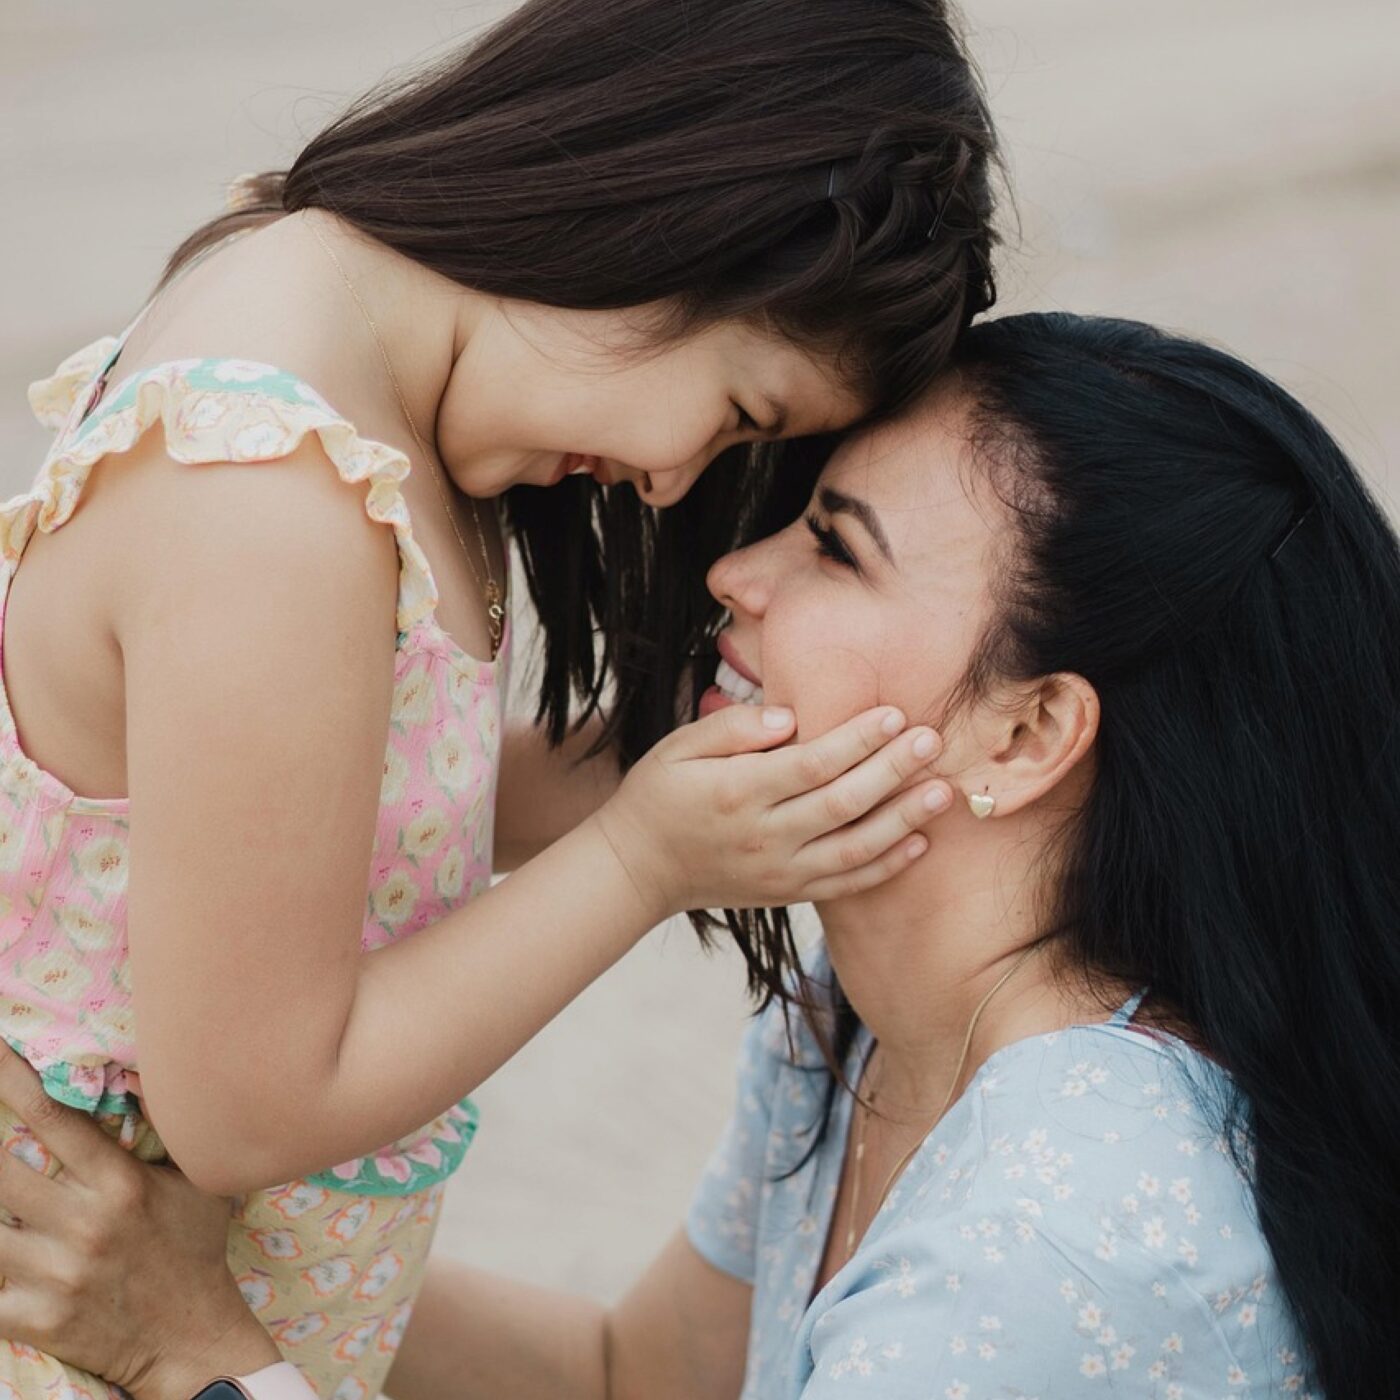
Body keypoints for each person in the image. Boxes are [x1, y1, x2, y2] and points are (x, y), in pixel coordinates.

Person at [3, 313, 1394, 1399]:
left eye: (836, 550)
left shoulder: (1047, 1239)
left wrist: (199, 1349)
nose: (738, 573)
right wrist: (176, 1257)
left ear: (1028, 733)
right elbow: (642, 1378)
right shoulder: (861, 1025)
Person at [0, 0, 999, 1393]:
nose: (674, 483)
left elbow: (367, 796)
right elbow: (248, 1106)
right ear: (669, 226)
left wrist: (727, 763)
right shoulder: (268, 504)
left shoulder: (341, 343)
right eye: (738, 416)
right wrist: (643, 858)